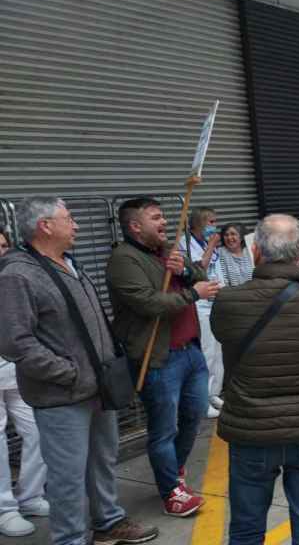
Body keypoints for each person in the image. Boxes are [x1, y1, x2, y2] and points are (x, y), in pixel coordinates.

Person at [0, 197, 157, 544]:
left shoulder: (69, 263)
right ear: (45, 226)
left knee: (102, 460)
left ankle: (108, 522)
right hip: (61, 394)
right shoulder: (18, 274)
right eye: (68, 218)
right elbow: (15, 342)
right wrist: (69, 372)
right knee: (67, 475)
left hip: (98, 386)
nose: (77, 225)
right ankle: (70, 538)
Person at [210, 214, 299, 545]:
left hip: (252, 430)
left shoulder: (228, 301)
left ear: (255, 251)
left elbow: (222, 337)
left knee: (246, 529)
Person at [107, 196, 220, 517]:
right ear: (135, 226)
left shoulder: (167, 249)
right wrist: (192, 293)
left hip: (190, 351)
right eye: (155, 217)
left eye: (163, 216)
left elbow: (198, 273)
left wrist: (184, 269)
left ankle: (174, 471)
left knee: (193, 416)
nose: (164, 222)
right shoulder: (123, 260)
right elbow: (149, 303)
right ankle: (171, 492)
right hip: (158, 358)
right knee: (164, 428)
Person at [0, 228, 48, 539]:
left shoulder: (15, 278)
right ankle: (5, 508)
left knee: (38, 430)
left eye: (4, 245)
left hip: (19, 370)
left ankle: (30, 495)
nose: (1, 252)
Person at [179, 207, 224, 419]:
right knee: (206, 351)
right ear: (199, 224)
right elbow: (198, 270)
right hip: (199, 304)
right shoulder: (185, 244)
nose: (215, 226)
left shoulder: (207, 243)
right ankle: (201, 399)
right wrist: (212, 246)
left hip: (215, 302)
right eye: (211, 222)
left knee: (217, 352)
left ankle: (213, 393)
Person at [215, 223, 254, 288]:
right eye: (226, 235)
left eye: (233, 234)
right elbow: (222, 281)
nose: (229, 237)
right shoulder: (220, 253)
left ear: (241, 237)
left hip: (253, 291)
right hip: (231, 292)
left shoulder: (250, 251)